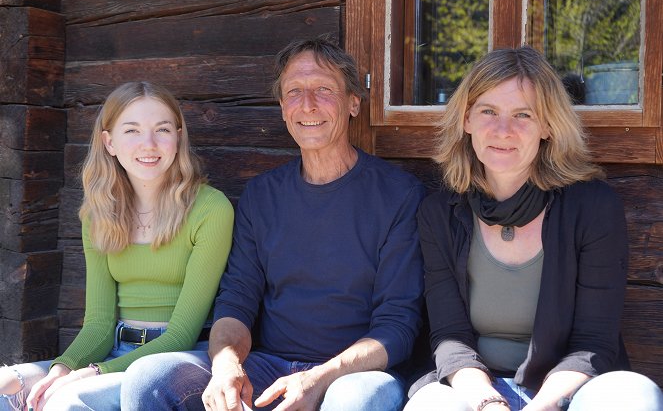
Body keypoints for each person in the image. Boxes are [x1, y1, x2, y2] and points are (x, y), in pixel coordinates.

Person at [121, 37, 426, 411]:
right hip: (269, 366)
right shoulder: (262, 195)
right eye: (294, 91)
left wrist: (319, 378)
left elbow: (397, 328)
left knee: (354, 401)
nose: (308, 104)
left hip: (353, 376)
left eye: (324, 90)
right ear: (282, 108)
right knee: (149, 378)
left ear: (352, 103)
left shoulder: (399, 195)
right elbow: (236, 301)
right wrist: (226, 366)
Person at [403, 46, 663, 411]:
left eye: (522, 114)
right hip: (473, 385)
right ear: (466, 120)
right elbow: (450, 336)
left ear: (547, 126)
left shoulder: (592, 208)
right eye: (488, 111)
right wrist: (488, 402)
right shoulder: (440, 213)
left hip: (569, 387)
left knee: (634, 396)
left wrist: (540, 406)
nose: (503, 130)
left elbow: (592, 342)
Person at [0, 82, 234, 411]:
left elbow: (182, 333)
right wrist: (62, 368)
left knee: (67, 402)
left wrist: (92, 373)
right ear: (109, 142)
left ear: (178, 137)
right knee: (5, 389)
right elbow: (98, 324)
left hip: (178, 359)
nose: (149, 144)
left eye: (162, 129)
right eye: (132, 131)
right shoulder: (99, 214)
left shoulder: (211, 209)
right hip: (114, 351)